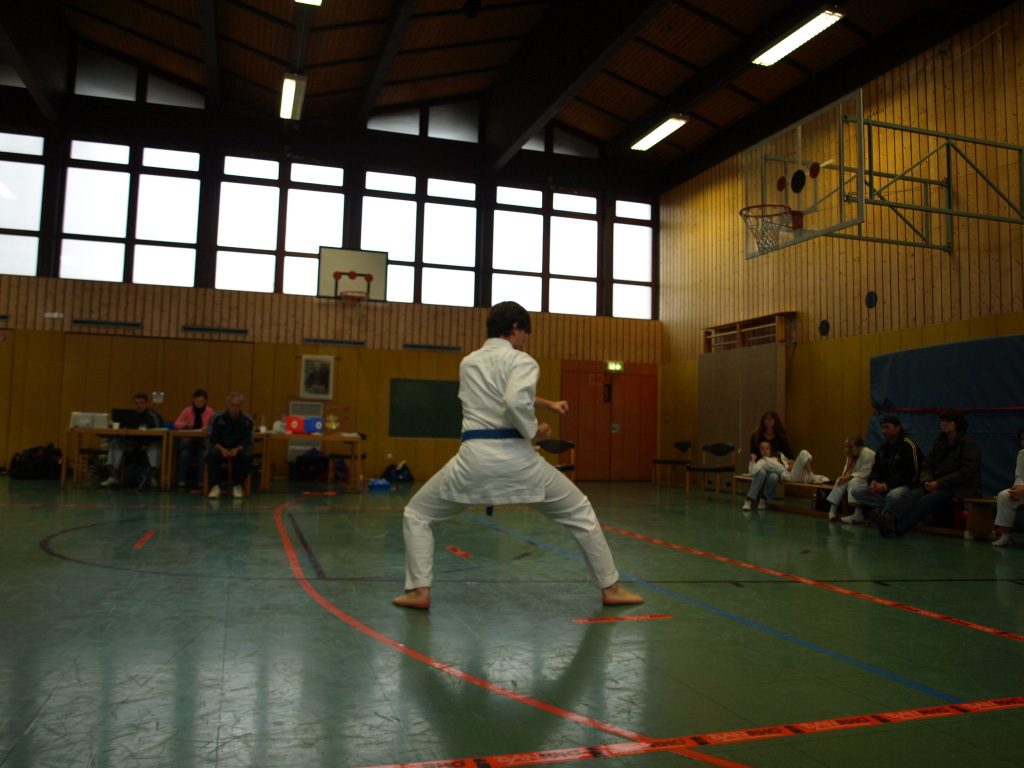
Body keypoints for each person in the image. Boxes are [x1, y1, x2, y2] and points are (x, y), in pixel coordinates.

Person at [392, 301, 643, 610]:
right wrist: (536, 430)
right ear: (515, 328)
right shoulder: (522, 361)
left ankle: (419, 590)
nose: (525, 339)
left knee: (417, 515)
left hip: (472, 461)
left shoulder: (469, 363)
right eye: (525, 332)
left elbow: (500, 393)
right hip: (518, 461)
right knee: (580, 513)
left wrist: (547, 404)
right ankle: (611, 588)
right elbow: (513, 400)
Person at [888, 409, 982, 537]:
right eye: (942, 420)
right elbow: (927, 464)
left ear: (957, 423)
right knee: (914, 495)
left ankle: (899, 528)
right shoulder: (940, 442)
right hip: (938, 484)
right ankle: (889, 517)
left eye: (948, 421)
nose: (944, 423)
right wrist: (927, 480)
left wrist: (939, 483)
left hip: (961, 487)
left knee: (927, 500)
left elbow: (966, 472)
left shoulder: (968, 443)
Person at [851, 415, 923, 536]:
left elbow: (912, 474)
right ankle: (889, 511)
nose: (884, 430)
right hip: (886, 486)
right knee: (857, 491)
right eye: (882, 427)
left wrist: (885, 485)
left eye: (887, 427)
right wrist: (874, 481)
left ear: (898, 428)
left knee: (893, 495)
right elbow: (876, 469)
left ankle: (885, 517)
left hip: (908, 486)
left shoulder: (909, 446)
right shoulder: (883, 448)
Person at [99, 392, 163, 488]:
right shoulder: (126, 415)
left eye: (141, 403)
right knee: (114, 444)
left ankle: (152, 477)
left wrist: (143, 443)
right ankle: (113, 476)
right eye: (136, 403)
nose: (138, 406)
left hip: (146, 444)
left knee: (155, 447)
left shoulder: (153, 415)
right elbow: (121, 430)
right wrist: (127, 441)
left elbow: (159, 431)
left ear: (146, 404)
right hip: (129, 444)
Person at [206, 392, 255, 499]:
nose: (234, 408)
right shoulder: (217, 418)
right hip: (220, 447)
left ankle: (238, 485)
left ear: (241, 406)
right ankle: (215, 486)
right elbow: (213, 437)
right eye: (232, 405)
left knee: (247, 456)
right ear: (228, 405)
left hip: (239, 448)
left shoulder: (247, 420)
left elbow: (248, 440)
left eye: (237, 406)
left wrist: (238, 449)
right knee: (212, 454)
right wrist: (221, 449)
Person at [742, 440, 814, 511]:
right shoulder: (762, 461)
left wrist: (791, 464)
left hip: (794, 472)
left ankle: (810, 475)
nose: (765, 451)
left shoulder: (779, 455)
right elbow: (753, 472)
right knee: (772, 477)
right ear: (760, 451)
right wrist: (753, 460)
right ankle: (754, 499)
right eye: (762, 449)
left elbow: (787, 462)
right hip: (788, 477)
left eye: (767, 448)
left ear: (770, 449)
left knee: (803, 452)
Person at [173, 388, 215, 488]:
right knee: (184, 454)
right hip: (189, 440)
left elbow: (214, 426)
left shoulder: (210, 412)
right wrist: (185, 423)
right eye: (197, 401)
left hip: (203, 440)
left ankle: (201, 481)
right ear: (193, 400)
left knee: (203, 455)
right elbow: (176, 424)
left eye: (201, 401)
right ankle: (181, 480)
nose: (199, 403)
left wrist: (207, 428)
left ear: (205, 401)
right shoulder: (187, 410)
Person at [829, 435, 875, 523]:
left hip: (869, 481)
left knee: (853, 481)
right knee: (840, 480)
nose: (848, 450)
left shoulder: (868, 454)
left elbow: (865, 473)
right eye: (846, 447)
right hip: (857, 478)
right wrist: (849, 461)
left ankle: (858, 514)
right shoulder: (852, 456)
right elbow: (845, 474)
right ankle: (832, 510)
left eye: (850, 447)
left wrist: (847, 477)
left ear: (859, 447)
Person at [991, 425, 1024, 547]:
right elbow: (1020, 476)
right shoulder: (1022, 454)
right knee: (1004, 496)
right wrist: (1017, 490)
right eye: (1022, 440)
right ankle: (1006, 536)